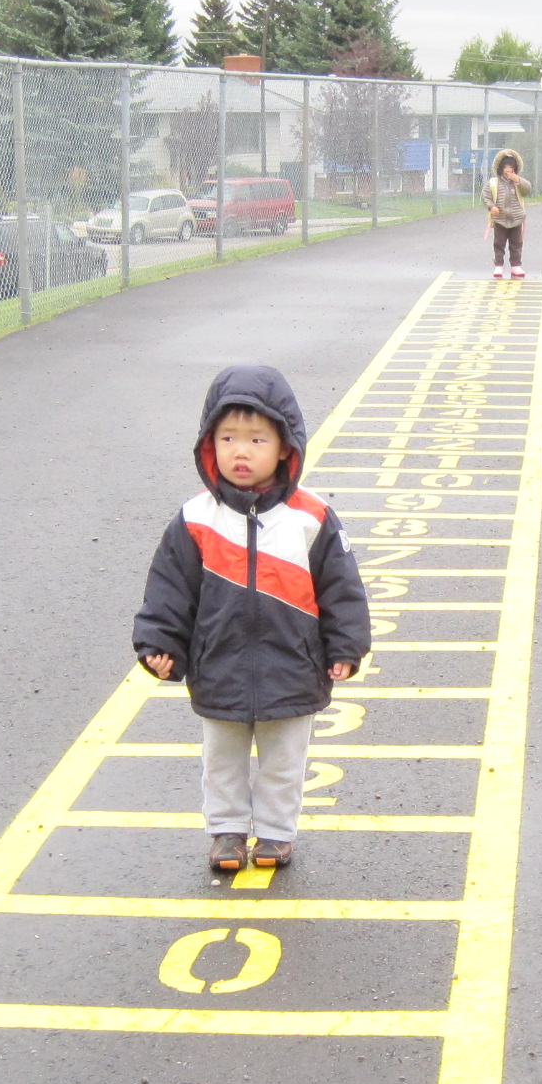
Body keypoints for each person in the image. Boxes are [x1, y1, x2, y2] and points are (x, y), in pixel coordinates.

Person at [133, 365, 370, 873]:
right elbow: (169, 589)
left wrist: (346, 646)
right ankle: (227, 831)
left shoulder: (311, 517)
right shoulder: (197, 518)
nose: (241, 451)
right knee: (222, 760)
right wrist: (160, 644)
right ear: (209, 443)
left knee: (284, 762)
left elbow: (341, 588)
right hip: (220, 665)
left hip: (293, 667)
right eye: (228, 438)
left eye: (257, 439)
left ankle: (277, 833)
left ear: (285, 447)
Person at [484, 148, 529, 280]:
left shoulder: (518, 182)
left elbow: (527, 190)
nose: (508, 170)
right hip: (500, 219)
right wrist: (491, 207)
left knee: (516, 243)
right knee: (499, 243)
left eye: (511, 167)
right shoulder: (493, 183)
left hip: (516, 218)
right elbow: (486, 196)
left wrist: (518, 180)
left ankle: (516, 265)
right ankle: (499, 265)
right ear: (500, 168)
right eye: (505, 167)